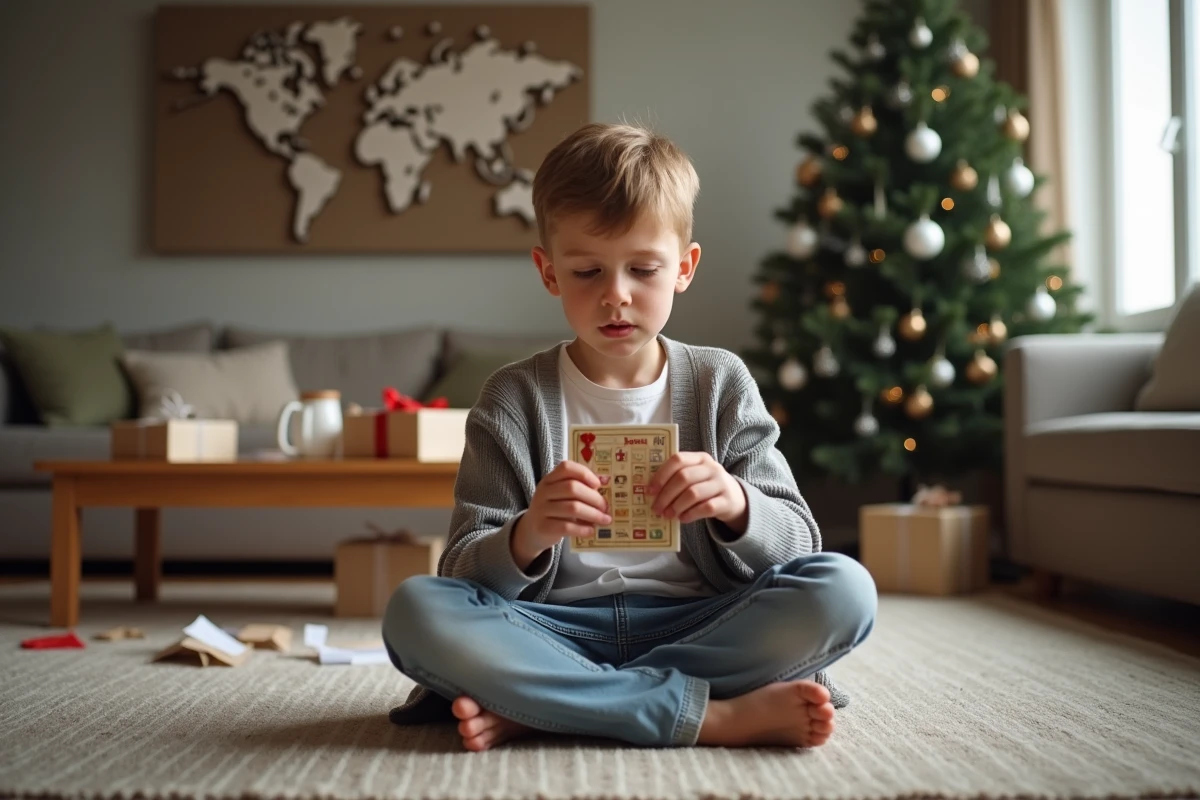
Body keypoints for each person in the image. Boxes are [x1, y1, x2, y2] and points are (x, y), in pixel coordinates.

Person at [383, 122, 877, 752]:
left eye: (643, 269)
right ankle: (708, 715)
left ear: (684, 268)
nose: (616, 296)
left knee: (845, 588)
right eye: (587, 271)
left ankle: (552, 704)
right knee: (415, 610)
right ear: (549, 272)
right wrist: (528, 533)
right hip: (552, 629)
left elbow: (799, 546)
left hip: (702, 623)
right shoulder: (513, 398)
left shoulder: (720, 382)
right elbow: (459, 569)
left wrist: (734, 504)